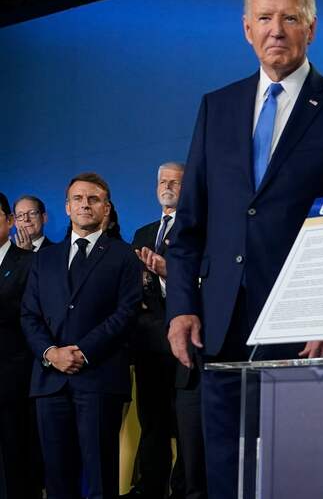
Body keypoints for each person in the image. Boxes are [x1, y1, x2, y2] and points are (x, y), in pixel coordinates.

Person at [166, 0, 323, 498]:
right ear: (246, 28)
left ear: (312, 28)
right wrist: (180, 306)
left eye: (289, 17)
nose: (276, 30)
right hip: (220, 324)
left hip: (303, 326)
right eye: (265, 17)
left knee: (296, 474)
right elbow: (190, 221)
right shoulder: (216, 107)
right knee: (223, 473)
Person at [21, 173, 142, 499]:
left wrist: (82, 351)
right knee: (58, 481)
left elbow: (126, 314)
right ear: (67, 207)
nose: (85, 205)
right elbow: (29, 315)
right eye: (78, 199)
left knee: (101, 480)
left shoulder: (125, 255)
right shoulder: (43, 259)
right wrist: (51, 353)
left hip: (99, 380)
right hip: (50, 382)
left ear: (107, 208)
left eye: (94, 199)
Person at [123, 162, 191, 499]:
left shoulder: (198, 227)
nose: (168, 187)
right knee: (152, 424)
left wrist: (167, 272)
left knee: (186, 427)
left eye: (175, 182)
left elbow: (204, 280)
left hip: (186, 344)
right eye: (162, 181)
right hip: (149, 345)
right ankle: (150, 488)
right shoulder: (143, 234)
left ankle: (183, 489)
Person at [0, 192, 41, 499]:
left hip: (14, 373)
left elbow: (31, 315)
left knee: (17, 451)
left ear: (9, 221)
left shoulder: (29, 262)